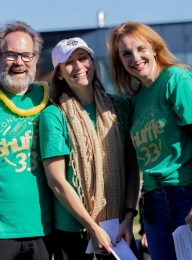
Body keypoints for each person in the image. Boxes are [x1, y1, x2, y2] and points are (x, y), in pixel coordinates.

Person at [106, 21, 192, 260]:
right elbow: (143, 159)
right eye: (126, 54)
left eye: (140, 49)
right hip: (156, 204)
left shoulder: (176, 79)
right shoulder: (136, 100)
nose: (135, 58)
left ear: (155, 48)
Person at [39, 37, 140, 260]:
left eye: (83, 58)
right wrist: (92, 228)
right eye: (69, 62)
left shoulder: (119, 107)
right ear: (59, 73)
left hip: (117, 227)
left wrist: (129, 216)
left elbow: (132, 166)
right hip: (73, 231)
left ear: (92, 63)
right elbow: (56, 181)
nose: (78, 67)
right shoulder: (54, 115)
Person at [0, 21, 54, 260]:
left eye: (26, 55)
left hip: (43, 230)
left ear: (36, 58)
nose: (19, 62)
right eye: (11, 54)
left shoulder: (49, 99)